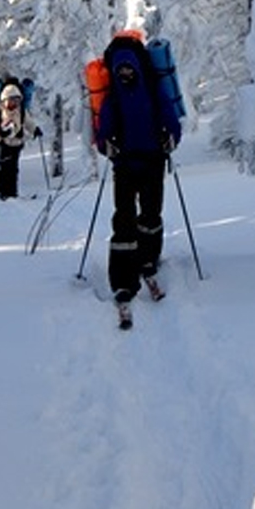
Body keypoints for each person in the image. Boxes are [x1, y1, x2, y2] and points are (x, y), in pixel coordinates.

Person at [94, 33, 181, 326]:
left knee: (151, 214)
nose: (125, 73)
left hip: (154, 161)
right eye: (121, 70)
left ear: (137, 67)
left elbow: (170, 118)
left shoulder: (154, 90)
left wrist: (172, 137)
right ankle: (123, 280)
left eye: (129, 68)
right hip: (126, 165)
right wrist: (106, 144)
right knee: (124, 219)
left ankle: (148, 260)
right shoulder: (114, 98)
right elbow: (102, 131)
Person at [0, 82, 39, 200]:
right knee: (4, 168)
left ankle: (12, 193)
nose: (14, 103)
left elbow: (29, 123)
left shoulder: (22, 111)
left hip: (17, 144)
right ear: (5, 100)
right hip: (3, 143)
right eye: (11, 100)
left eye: (16, 100)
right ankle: (3, 192)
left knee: (13, 169)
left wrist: (35, 130)